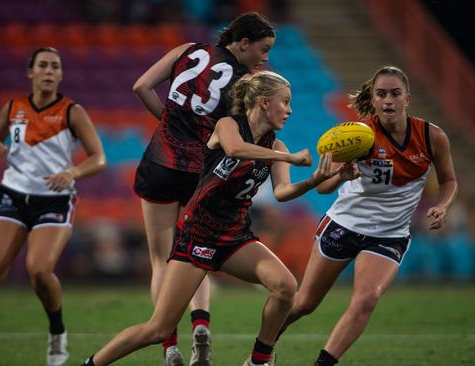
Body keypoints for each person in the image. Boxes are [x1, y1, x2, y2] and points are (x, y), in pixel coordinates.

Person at [80, 71, 336, 366]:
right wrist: (288, 158)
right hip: (197, 237)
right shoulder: (227, 125)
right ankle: (91, 363)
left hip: (235, 238)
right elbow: (234, 149)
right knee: (158, 329)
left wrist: (314, 180)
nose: (290, 110)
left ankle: (259, 361)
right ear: (264, 102)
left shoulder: (276, 147)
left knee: (285, 286)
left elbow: (282, 192)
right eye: (286, 102)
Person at [277, 65, 458, 365]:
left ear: (407, 99)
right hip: (344, 225)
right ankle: (264, 346)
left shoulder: (431, 137)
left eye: (395, 94)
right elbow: (323, 190)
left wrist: (443, 205)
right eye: (382, 94)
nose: (388, 100)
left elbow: (449, 181)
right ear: (372, 100)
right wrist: (341, 176)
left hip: (389, 235)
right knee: (304, 304)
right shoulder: (357, 137)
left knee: (367, 299)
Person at [0, 47, 107, 366]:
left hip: (55, 198)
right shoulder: (13, 107)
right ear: (30, 72)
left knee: (39, 270)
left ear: (61, 75)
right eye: (43, 66)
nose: (49, 71)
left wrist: (71, 172)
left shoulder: (72, 112)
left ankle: (57, 331)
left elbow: (98, 159)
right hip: (13, 194)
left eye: (55, 67)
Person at [132, 12, 276, 366]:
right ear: (242, 43)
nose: (265, 58)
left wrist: (169, 123)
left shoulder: (188, 50)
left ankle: (169, 347)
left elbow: (141, 87)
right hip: (203, 172)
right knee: (198, 253)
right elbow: (239, 134)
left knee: (161, 259)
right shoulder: (246, 84)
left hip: (161, 163)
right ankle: (201, 325)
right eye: (263, 49)